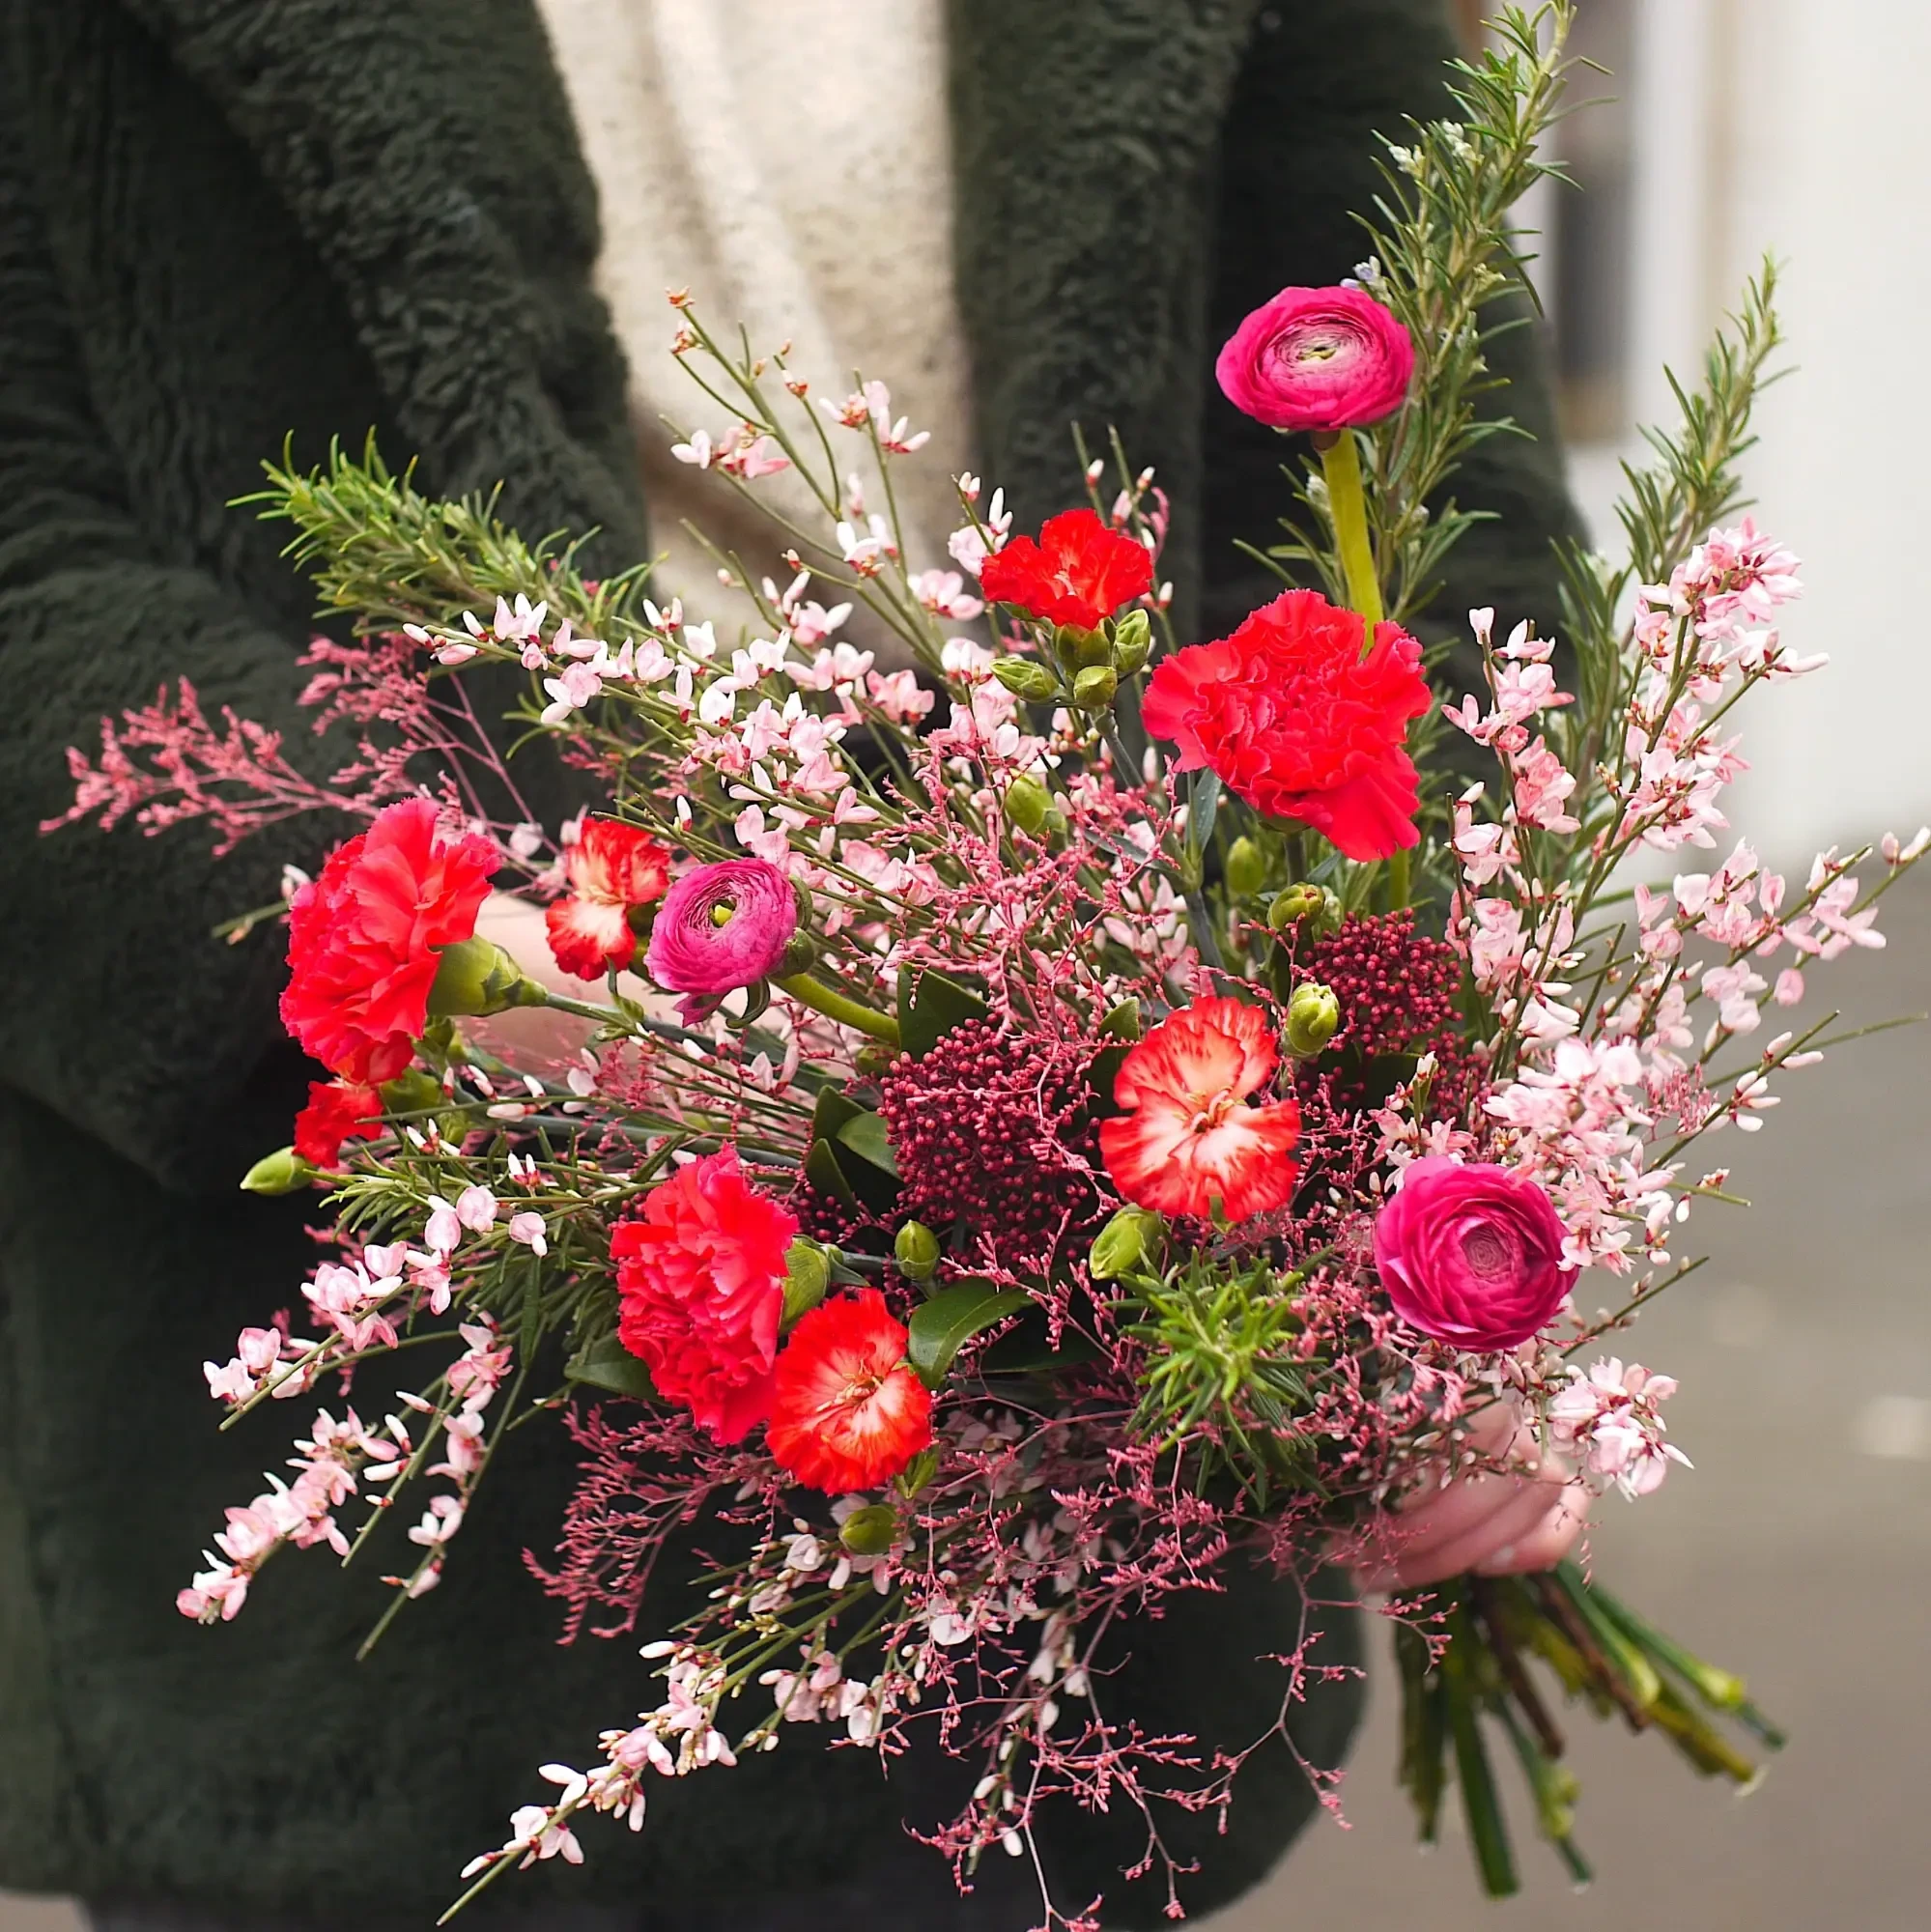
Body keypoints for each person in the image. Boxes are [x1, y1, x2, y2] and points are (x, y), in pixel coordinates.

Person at [0, 2, 1581, 1927]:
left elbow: (1422, 498)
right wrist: (429, 938)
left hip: (1075, 1345)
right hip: (376, 1440)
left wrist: (1398, 1195)